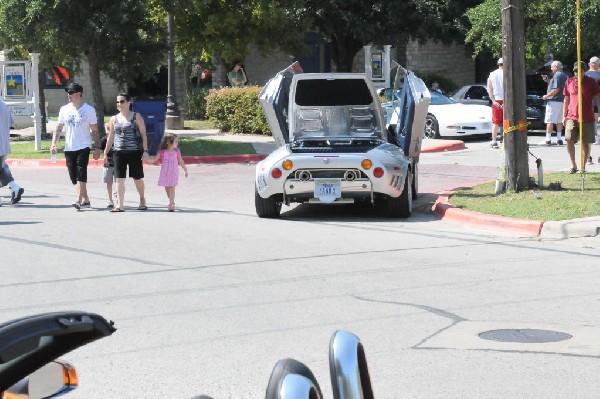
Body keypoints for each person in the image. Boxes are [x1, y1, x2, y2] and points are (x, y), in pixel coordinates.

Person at [51, 82, 100, 210]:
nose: (69, 95)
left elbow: (95, 130)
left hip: (83, 146)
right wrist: (53, 144)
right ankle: (86, 200)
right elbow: (59, 127)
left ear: (79, 94)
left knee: (81, 172)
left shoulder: (89, 110)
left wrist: (97, 148)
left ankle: (78, 200)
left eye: (71, 92)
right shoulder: (64, 109)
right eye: (68, 93)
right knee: (74, 177)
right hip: (69, 147)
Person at [104, 93, 149, 212]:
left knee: (137, 178)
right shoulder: (114, 118)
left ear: (129, 102)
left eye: (122, 101)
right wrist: (106, 152)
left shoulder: (136, 116)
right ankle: (120, 205)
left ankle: (142, 199)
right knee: (119, 178)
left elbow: (144, 135)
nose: (119, 104)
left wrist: (145, 151)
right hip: (118, 152)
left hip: (134, 151)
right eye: (118, 102)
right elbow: (111, 136)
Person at [562, 61, 600, 173]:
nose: (578, 73)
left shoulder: (591, 82)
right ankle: (573, 165)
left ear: (584, 71)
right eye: (575, 71)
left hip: (587, 117)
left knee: (586, 142)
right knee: (569, 139)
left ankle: (583, 167)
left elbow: (598, 97)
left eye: (580, 71)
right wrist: (564, 116)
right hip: (572, 116)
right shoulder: (569, 81)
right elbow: (566, 99)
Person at [148, 133, 188, 212]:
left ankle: (171, 204)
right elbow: (155, 159)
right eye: (175, 141)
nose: (177, 143)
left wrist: (185, 169)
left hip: (173, 171)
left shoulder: (177, 151)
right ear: (169, 143)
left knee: (172, 186)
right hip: (165, 172)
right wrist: (147, 160)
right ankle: (171, 200)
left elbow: (180, 160)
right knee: (166, 187)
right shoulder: (162, 152)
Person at [0, 99, 24, 207]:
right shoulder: (3, 104)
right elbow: (10, 124)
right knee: (2, 168)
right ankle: (15, 188)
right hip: (3, 144)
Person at [541, 60, 568, 146]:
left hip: (554, 101)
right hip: (562, 100)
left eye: (552, 67)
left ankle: (548, 139)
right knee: (559, 120)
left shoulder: (557, 75)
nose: (551, 69)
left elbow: (556, 89)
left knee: (550, 120)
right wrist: (548, 81)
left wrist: (547, 96)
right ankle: (559, 139)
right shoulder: (565, 75)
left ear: (556, 67)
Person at [487, 58, 504, 148]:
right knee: (507, 121)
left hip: (496, 100)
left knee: (496, 122)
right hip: (506, 100)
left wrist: (493, 101)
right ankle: (505, 139)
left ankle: (494, 141)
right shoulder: (507, 73)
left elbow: (489, 89)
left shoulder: (492, 74)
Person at [586, 56, 600, 161]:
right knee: (598, 130)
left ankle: (588, 156)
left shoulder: (584, 76)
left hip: (586, 107)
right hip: (597, 107)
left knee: (589, 132)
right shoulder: (599, 76)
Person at [99, 133, 116, 209]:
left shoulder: (120, 138)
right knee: (109, 183)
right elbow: (100, 150)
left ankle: (118, 199)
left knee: (119, 182)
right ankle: (110, 200)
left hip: (119, 164)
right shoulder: (104, 139)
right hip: (108, 165)